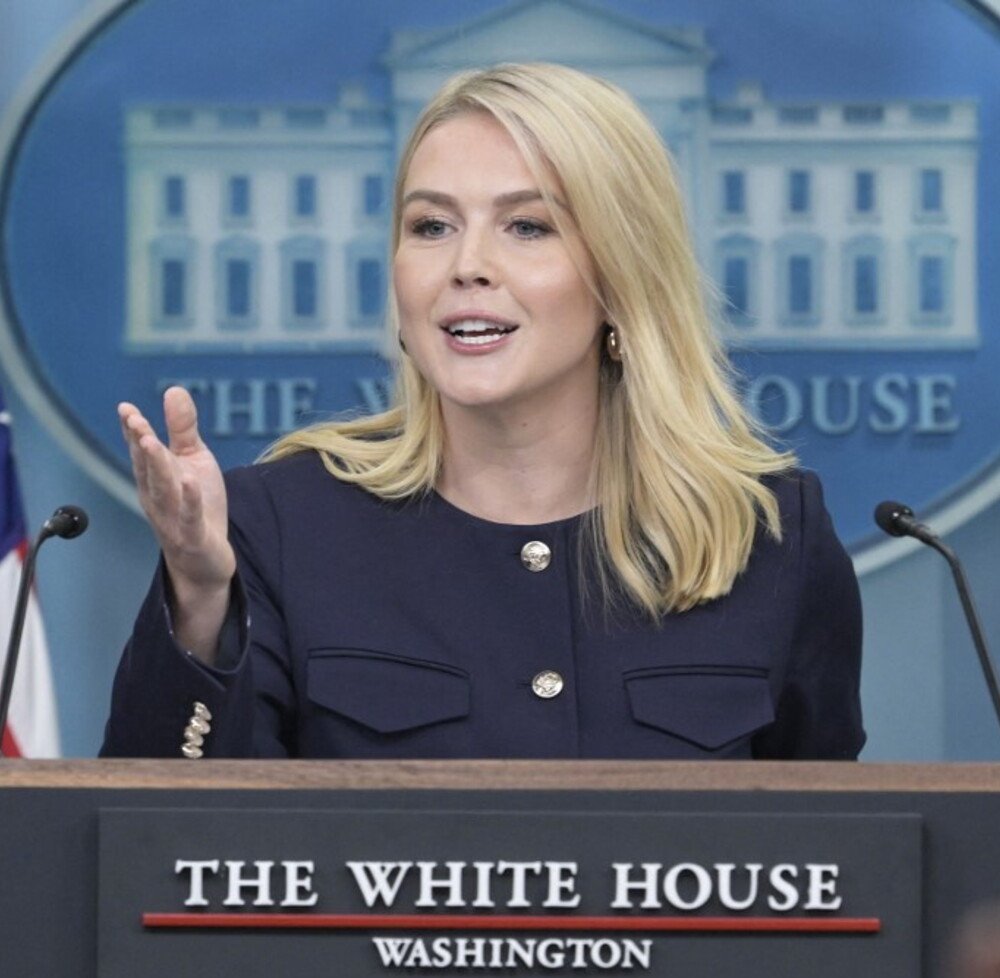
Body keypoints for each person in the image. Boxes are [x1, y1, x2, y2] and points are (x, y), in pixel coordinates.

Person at [101, 63, 864, 760]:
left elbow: (837, 850)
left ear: (622, 276)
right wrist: (200, 600)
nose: (467, 266)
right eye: (431, 227)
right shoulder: (277, 524)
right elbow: (157, 842)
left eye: (527, 226)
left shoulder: (772, 538)